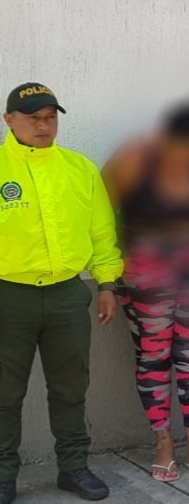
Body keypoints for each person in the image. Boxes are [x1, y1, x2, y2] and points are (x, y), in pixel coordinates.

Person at [0, 83, 123, 503]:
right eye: (33, 118)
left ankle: (73, 468)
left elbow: (102, 233)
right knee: (4, 392)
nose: (44, 126)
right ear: (9, 120)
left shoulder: (80, 169)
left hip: (67, 296)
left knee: (71, 388)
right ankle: (3, 474)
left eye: (50, 118)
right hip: (9, 296)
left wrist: (106, 284)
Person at [101, 102, 189, 482]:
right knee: (153, 357)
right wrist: (114, 269)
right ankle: (163, 443)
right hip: (145, 273)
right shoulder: (132, 159)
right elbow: (100, 215)